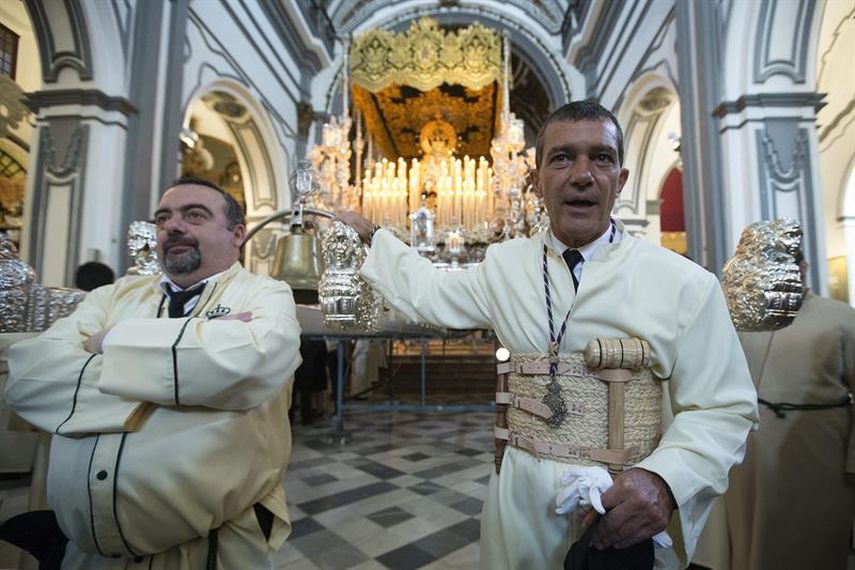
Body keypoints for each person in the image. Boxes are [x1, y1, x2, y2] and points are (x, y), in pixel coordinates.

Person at [338, 100, 758, 569]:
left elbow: (725, 407)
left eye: (601, 157)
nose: (582, 174)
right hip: (519, 503)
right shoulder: (506, 266)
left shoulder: (686, 285)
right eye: (562, 157)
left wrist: (664, 481)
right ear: (536, 181)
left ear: (620, 180)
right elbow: (431, 292)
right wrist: (372, 236)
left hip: (621, 505)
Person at [2, 176, 302, 569]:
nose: (173, 226)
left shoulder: (265, 294)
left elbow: (250, 363)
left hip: (209, 551)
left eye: (194, 215)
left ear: (237, 234)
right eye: (163, 219)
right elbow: (31, 377)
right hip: (88, 556)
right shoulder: (114, 295)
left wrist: (109, 341)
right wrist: (193, 371)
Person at [723, 251, 855, 570]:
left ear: (804, 268)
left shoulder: (842, 318)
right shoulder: (741, 318)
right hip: (749, 458)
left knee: (814, 539)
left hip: (820, 450)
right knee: (750, 543)